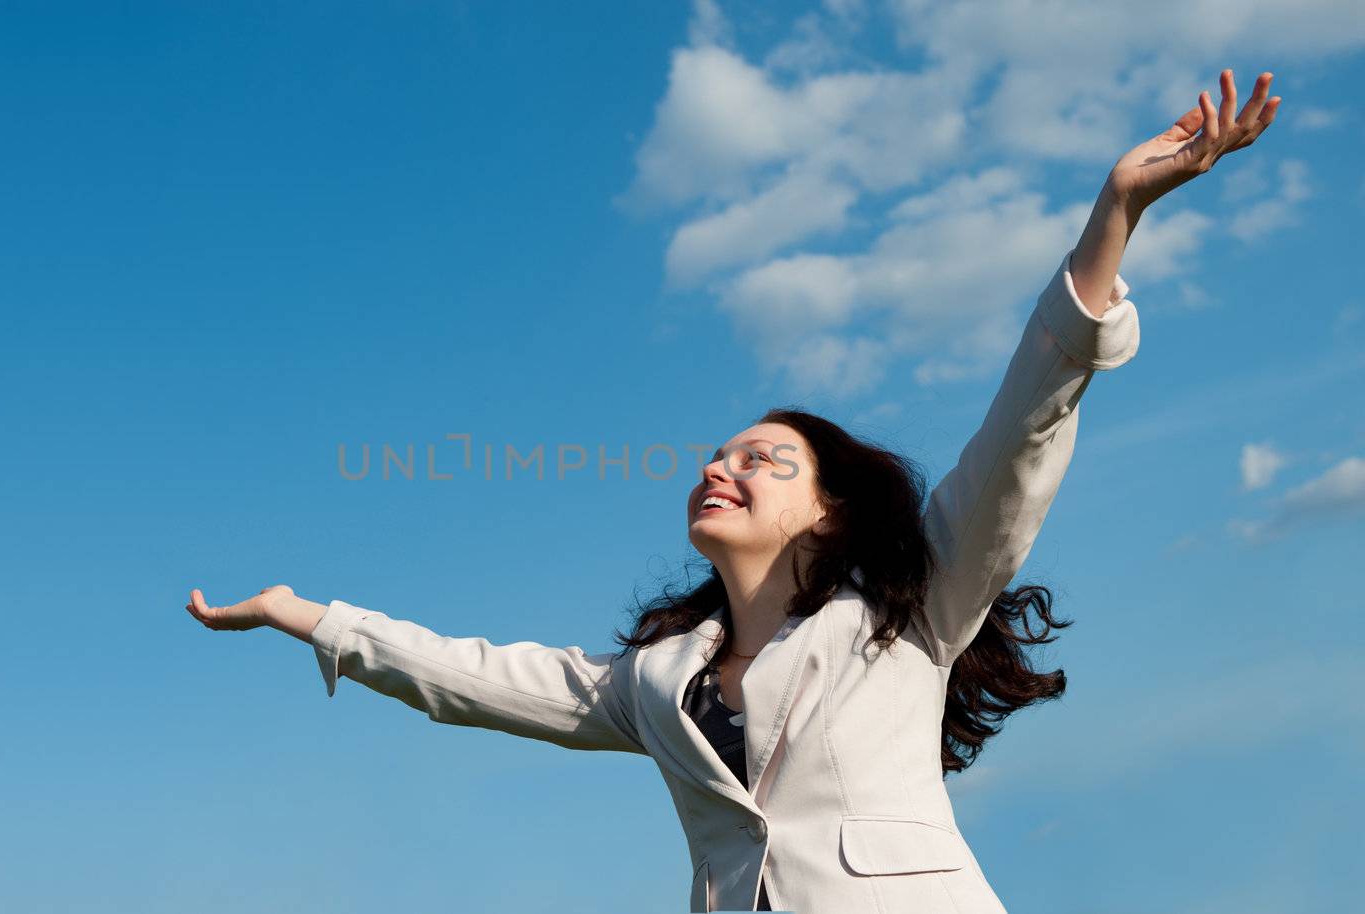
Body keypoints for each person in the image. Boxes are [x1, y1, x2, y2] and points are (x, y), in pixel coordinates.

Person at [186, 69, 1281, 914]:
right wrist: (309, 615)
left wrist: (1113, 216)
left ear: (830, 508)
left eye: (765, 457)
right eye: (719, 454)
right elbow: (468, 676)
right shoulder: (650, 684)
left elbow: (1022, 426)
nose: (725, 466)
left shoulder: (913, 608)